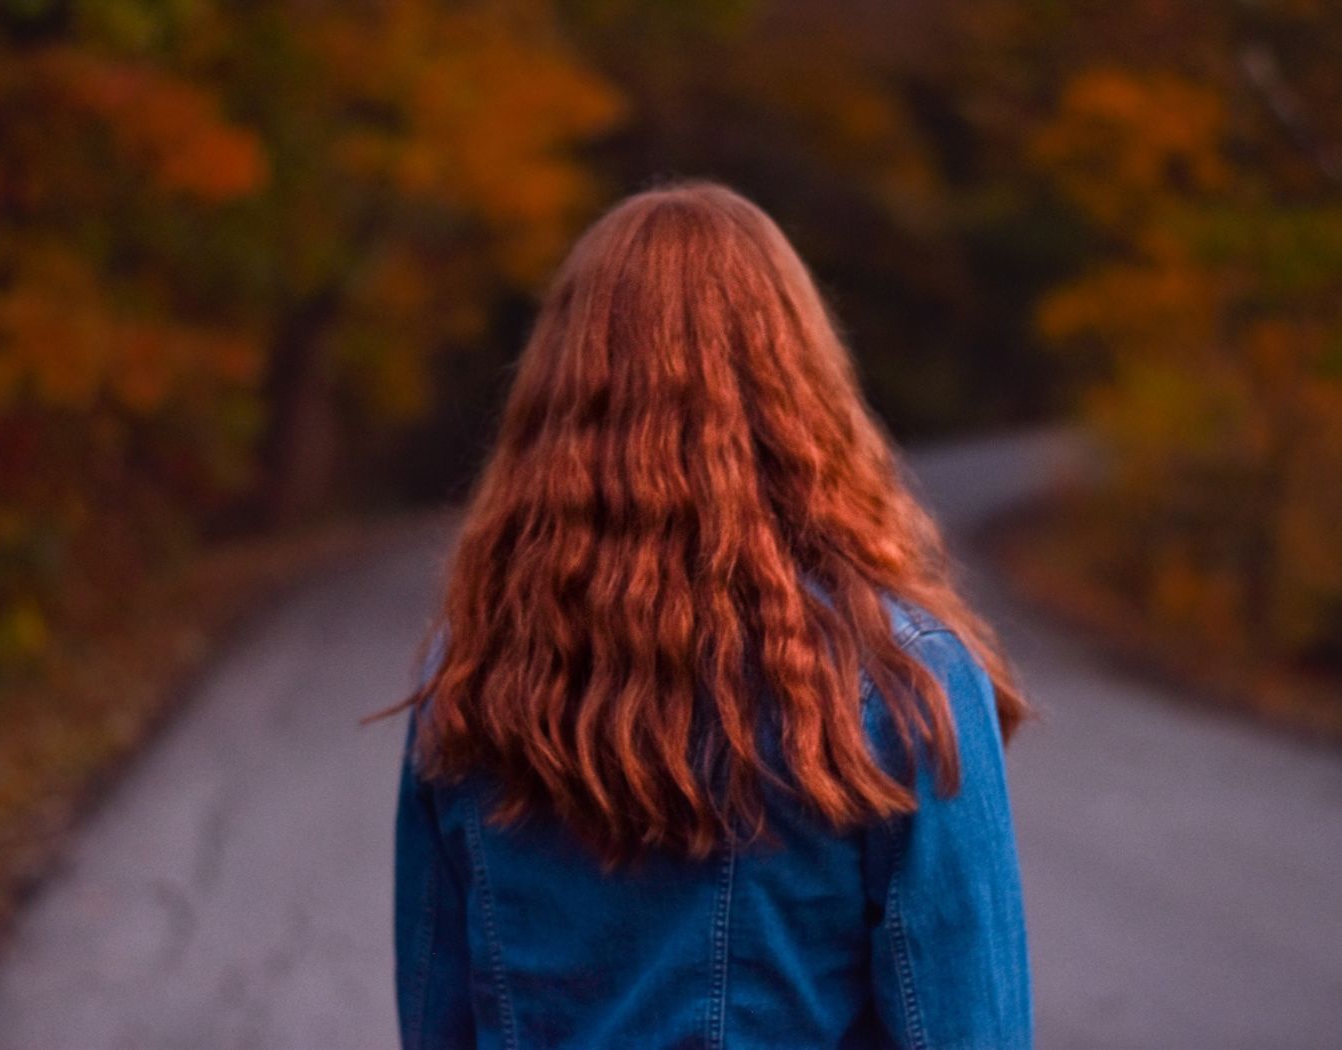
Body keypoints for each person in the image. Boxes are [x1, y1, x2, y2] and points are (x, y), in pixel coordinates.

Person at [384, 180, 1033, 1049]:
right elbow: (968, 1030)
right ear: (802, 391)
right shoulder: (905, 682)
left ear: (558, 403)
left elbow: (439, 1025)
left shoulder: (469, 684)